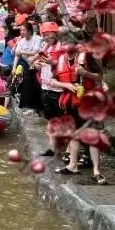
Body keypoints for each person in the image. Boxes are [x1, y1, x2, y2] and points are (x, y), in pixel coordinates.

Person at [58, 40, 108, 184]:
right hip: (73, 102)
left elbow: (100, 78)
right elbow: (54, 79)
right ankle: (72, 165)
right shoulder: (64, 59)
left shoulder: (90, 57)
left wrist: (84, 73)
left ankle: (96, 171)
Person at [37, 28, 76, 158]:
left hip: (59, 90)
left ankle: (69, 151)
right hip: (46, 87)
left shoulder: (63, 48)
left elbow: (63, 65)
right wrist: (39, 65)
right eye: (45, 35)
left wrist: (51, 62)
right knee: (50, 120)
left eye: (49, 34)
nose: (47, 37)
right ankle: (52, 148)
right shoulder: (46, 47)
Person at [13, 21, 44, 111]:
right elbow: (16, 54)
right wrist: (14, 67)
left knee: (37, 85)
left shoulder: (37, 39)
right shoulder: (21, 41)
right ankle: (26, 105)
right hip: (27, 64)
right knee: (26, 84)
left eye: (24, 30)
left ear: (30, 31)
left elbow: (36, 51)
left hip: (37, 64)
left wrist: (22, 52)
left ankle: (38, 106)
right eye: (21, 30)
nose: (21, 32)